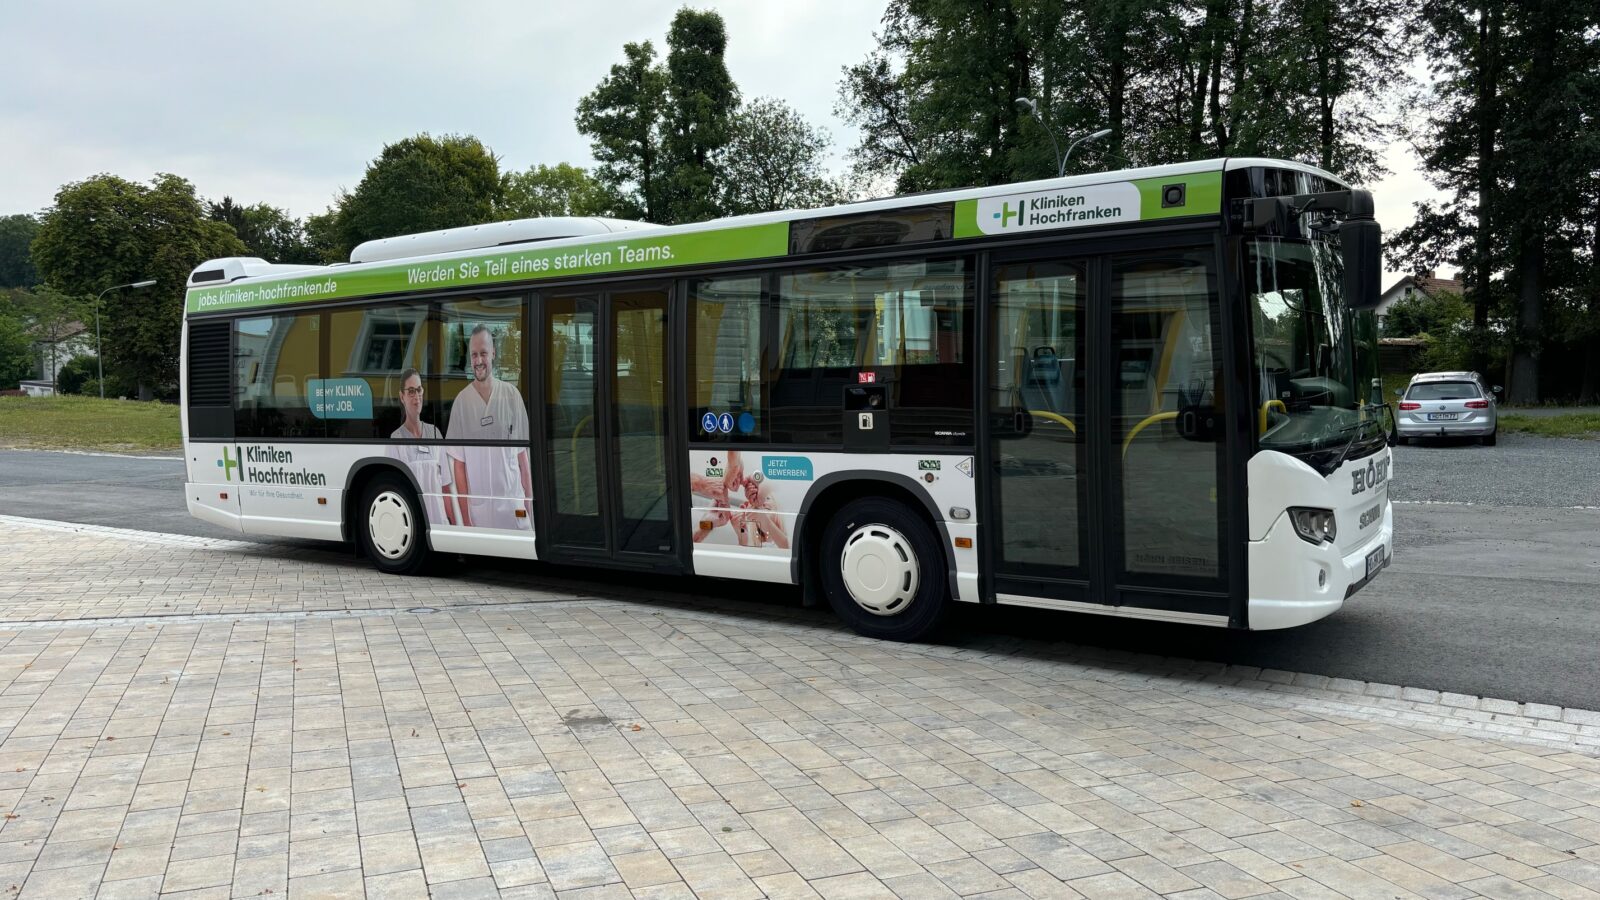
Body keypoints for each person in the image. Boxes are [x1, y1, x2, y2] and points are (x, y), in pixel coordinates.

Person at [445, 324, 532, 529]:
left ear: (493, 353)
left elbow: (523, 457)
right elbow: (459, 465)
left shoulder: (511, 395)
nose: (479, 361)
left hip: (514, 506)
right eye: (474, 355)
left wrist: (529, 503)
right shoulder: (462, 402)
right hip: (480, 512)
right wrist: (465, 519)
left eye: (483, 353)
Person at [386, 368, 455, 525]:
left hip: (439, 522)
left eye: (418, 390)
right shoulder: (396, 439)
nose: (416, 396)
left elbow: (445, 486)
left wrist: (451, 521)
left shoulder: (435, 433)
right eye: (411, 391)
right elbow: (396, 490)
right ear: (402, 397)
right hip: (414, 524)